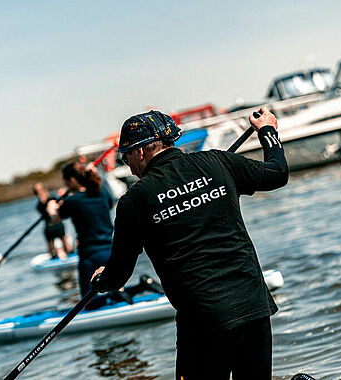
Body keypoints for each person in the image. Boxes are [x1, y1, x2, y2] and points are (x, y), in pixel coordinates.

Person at [91, 109, 288, 380]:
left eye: (126, 159)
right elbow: (277, 173)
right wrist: (267, 131)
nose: (129, 167)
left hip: (204, 321)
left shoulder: (134, 201)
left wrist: (100, 282)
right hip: (253, 305)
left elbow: (119, 275)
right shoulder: (217, 162)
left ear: (139, 152)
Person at [51, 161, 133, 309]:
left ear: (72, 181)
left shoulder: (72, 201)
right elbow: (107, 203)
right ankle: (139, 287)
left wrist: (51, 206)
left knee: (88, 303)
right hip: (111, 250)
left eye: (67, 183)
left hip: (90, 256)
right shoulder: (102, 194)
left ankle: (115, 296)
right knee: (116, 286)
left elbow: (55, 217)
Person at [33, 182, 72, 259]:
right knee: (51, 247)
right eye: (39, 190)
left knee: (65, 243)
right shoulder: (39, 206)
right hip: (49, 227)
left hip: (58, 225)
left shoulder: (53, 199)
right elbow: (44, 213)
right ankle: (53, 254)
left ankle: (68, 251)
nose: (42, 191)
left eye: (42, 189)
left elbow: (59, 209)